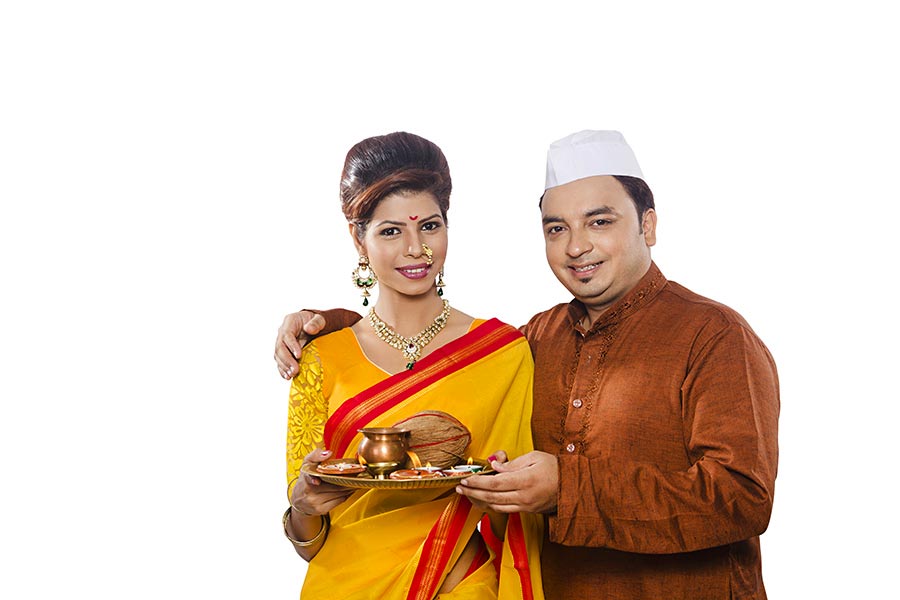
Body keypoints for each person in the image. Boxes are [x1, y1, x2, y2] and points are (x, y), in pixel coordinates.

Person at [275, 130, 779, 599]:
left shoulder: (713, 335)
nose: (576, 245)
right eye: (557, 227)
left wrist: (569, 488)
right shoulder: (536, 339)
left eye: (600, 221)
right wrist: (331, 326)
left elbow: (742, 498)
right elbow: (432, 363)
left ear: (648, 225)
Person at [281, 131, 543, 600]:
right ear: (357, 239)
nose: (416, 250)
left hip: (460, 581)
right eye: (390, 231)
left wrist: (501, 488)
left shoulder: (502, 353)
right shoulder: (320, 358)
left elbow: (519, 515)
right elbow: (310, 539)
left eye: (429, 226)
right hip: (344, 584)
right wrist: (302, 505)